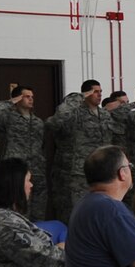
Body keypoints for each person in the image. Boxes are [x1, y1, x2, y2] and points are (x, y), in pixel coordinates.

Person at [49, 81, 115, 221]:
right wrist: (79, 97)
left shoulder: (104, 114)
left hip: (101, 169)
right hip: (79, 171)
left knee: (99, 208)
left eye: (100, 91)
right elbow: (56, 120)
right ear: (86, 94)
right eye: (95, 92)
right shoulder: (75, 113)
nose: (99, 94)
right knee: (78, 209)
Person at [0, 85, 48, 220]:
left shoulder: (38, 122)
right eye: (27, 96)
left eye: (32, 97)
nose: (31, 99)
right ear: (18, 98)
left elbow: (42, 144)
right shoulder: (8, 118)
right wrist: (9, 102)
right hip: (17, 170)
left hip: (37, 170)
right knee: (20, 209)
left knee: (39, 211)